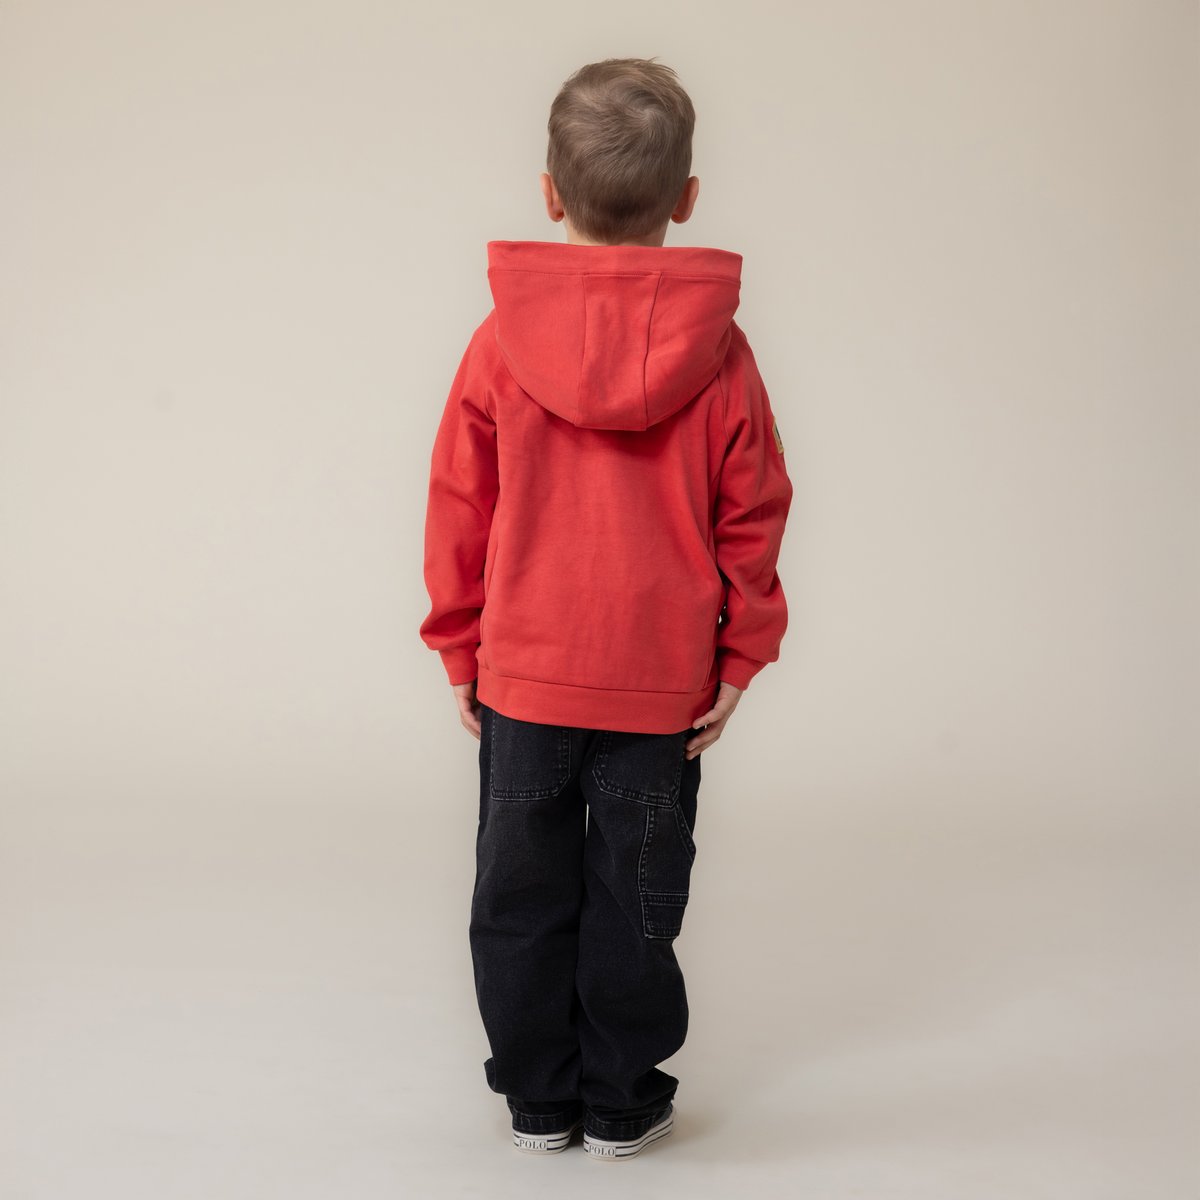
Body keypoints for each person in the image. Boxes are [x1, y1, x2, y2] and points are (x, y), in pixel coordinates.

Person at [418, 56, 794, 1161]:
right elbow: (755, 509)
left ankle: (540, 1101)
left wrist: (458, 648)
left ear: (550, 193)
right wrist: (740, 655)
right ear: (686, 197)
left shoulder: (498, 342)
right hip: (660, 684)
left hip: (525, 675)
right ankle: (624, 1101)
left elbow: (458, 503)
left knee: (518, 892)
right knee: (637, 896)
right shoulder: (721, 354)